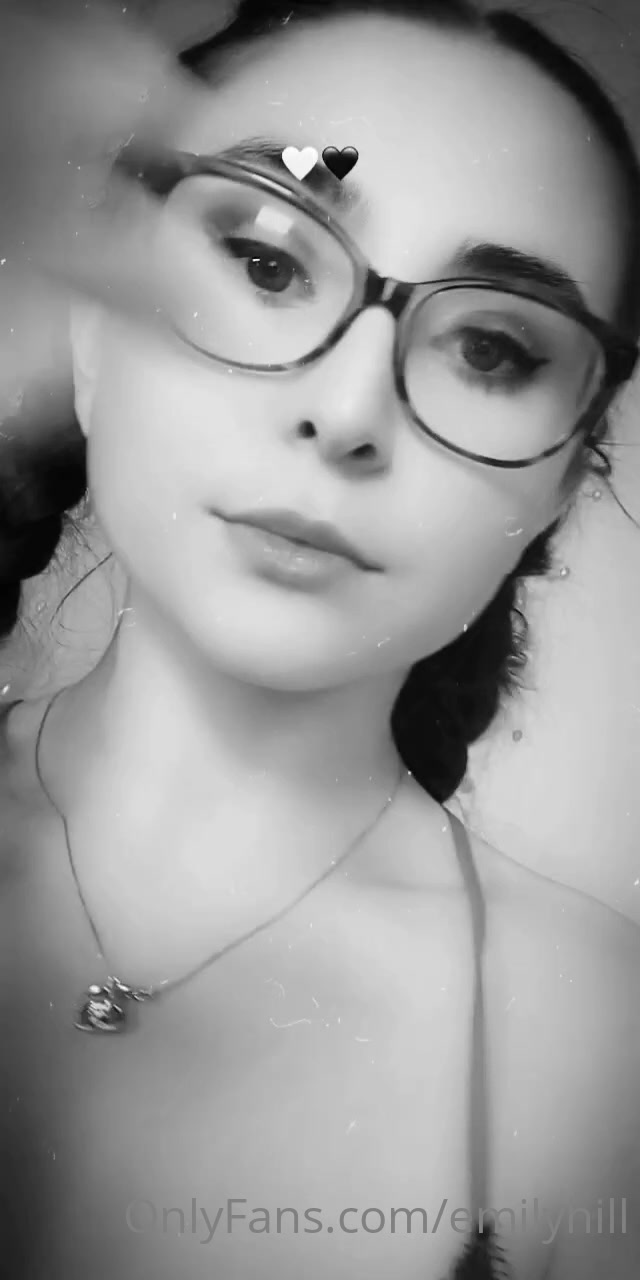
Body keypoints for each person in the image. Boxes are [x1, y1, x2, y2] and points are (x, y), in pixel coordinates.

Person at [0, 1, 639, 1277]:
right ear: (90, 321)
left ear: (564, 478)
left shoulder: (602, 1047)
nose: (347, 409)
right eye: (267, 261)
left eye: (490, 347)